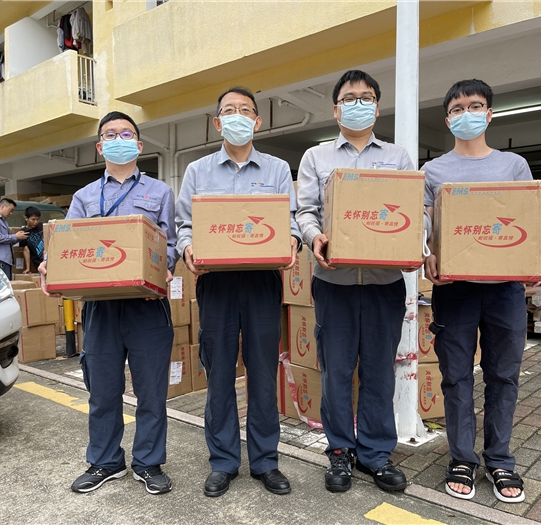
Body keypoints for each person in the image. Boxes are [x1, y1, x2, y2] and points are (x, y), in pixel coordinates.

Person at [296, 70, 427, 494]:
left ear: (377, 107)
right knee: (336, 371)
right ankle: (339, 451)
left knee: (378, 371)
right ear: (336, 110)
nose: (358, 104)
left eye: (366, 98)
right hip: (333, 282)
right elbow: (305, 211)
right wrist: (314, 236)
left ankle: (375, 454)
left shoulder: (397, 158)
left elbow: (414, 213)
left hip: (383, 283)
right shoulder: (316, 157)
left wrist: (415, 242)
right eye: (349, 98)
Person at [39, 111, 178, 495]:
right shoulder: (84, 197)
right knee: (102, 390)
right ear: (100, 147)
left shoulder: (160, 192)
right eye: (111, 135)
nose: (119, 139)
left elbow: (167, 244)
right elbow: (65, 243)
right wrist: (50, 264)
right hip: (100, 307)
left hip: (146, 305)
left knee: (151, 391)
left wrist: (165, 268)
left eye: (126, 134)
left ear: (139, 145)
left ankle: (149, 462)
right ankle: (105, 461)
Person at [176, 87, 301, 497]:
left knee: (263, 374)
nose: (237, 116)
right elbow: (184, 224)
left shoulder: (277, 169)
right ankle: (223, 461)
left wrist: (293, 242)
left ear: (257, 121)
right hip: (217, 283)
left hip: (262, 281)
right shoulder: (197, 171)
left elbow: (291, 221)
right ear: (217, 122)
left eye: (245, 110)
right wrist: (188, 248)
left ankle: (265, 461)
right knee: (219, 374)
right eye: (229, 110)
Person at [423, 79, 530, 504]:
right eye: (457, 108)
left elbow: (524, 221)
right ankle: (462, 458)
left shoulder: (513, 166)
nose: (465, 113)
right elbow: (426, 229)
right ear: (447, 119)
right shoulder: (433, 171)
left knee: (503, 374)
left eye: (475, 105)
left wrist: (532, 260)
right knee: (456, 377)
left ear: (489, 114)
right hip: (455, 290)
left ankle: (500, 459)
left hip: (505, 289)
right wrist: (428, 255)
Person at [20, 206, 44, 274]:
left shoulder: (43, 226)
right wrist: (28, 268)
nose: (35, 222)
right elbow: (26, 250)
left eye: (37, 219)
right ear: (26, 218)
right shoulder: (23, 232)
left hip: (49, 261)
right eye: (33, 219)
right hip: (39, 264)